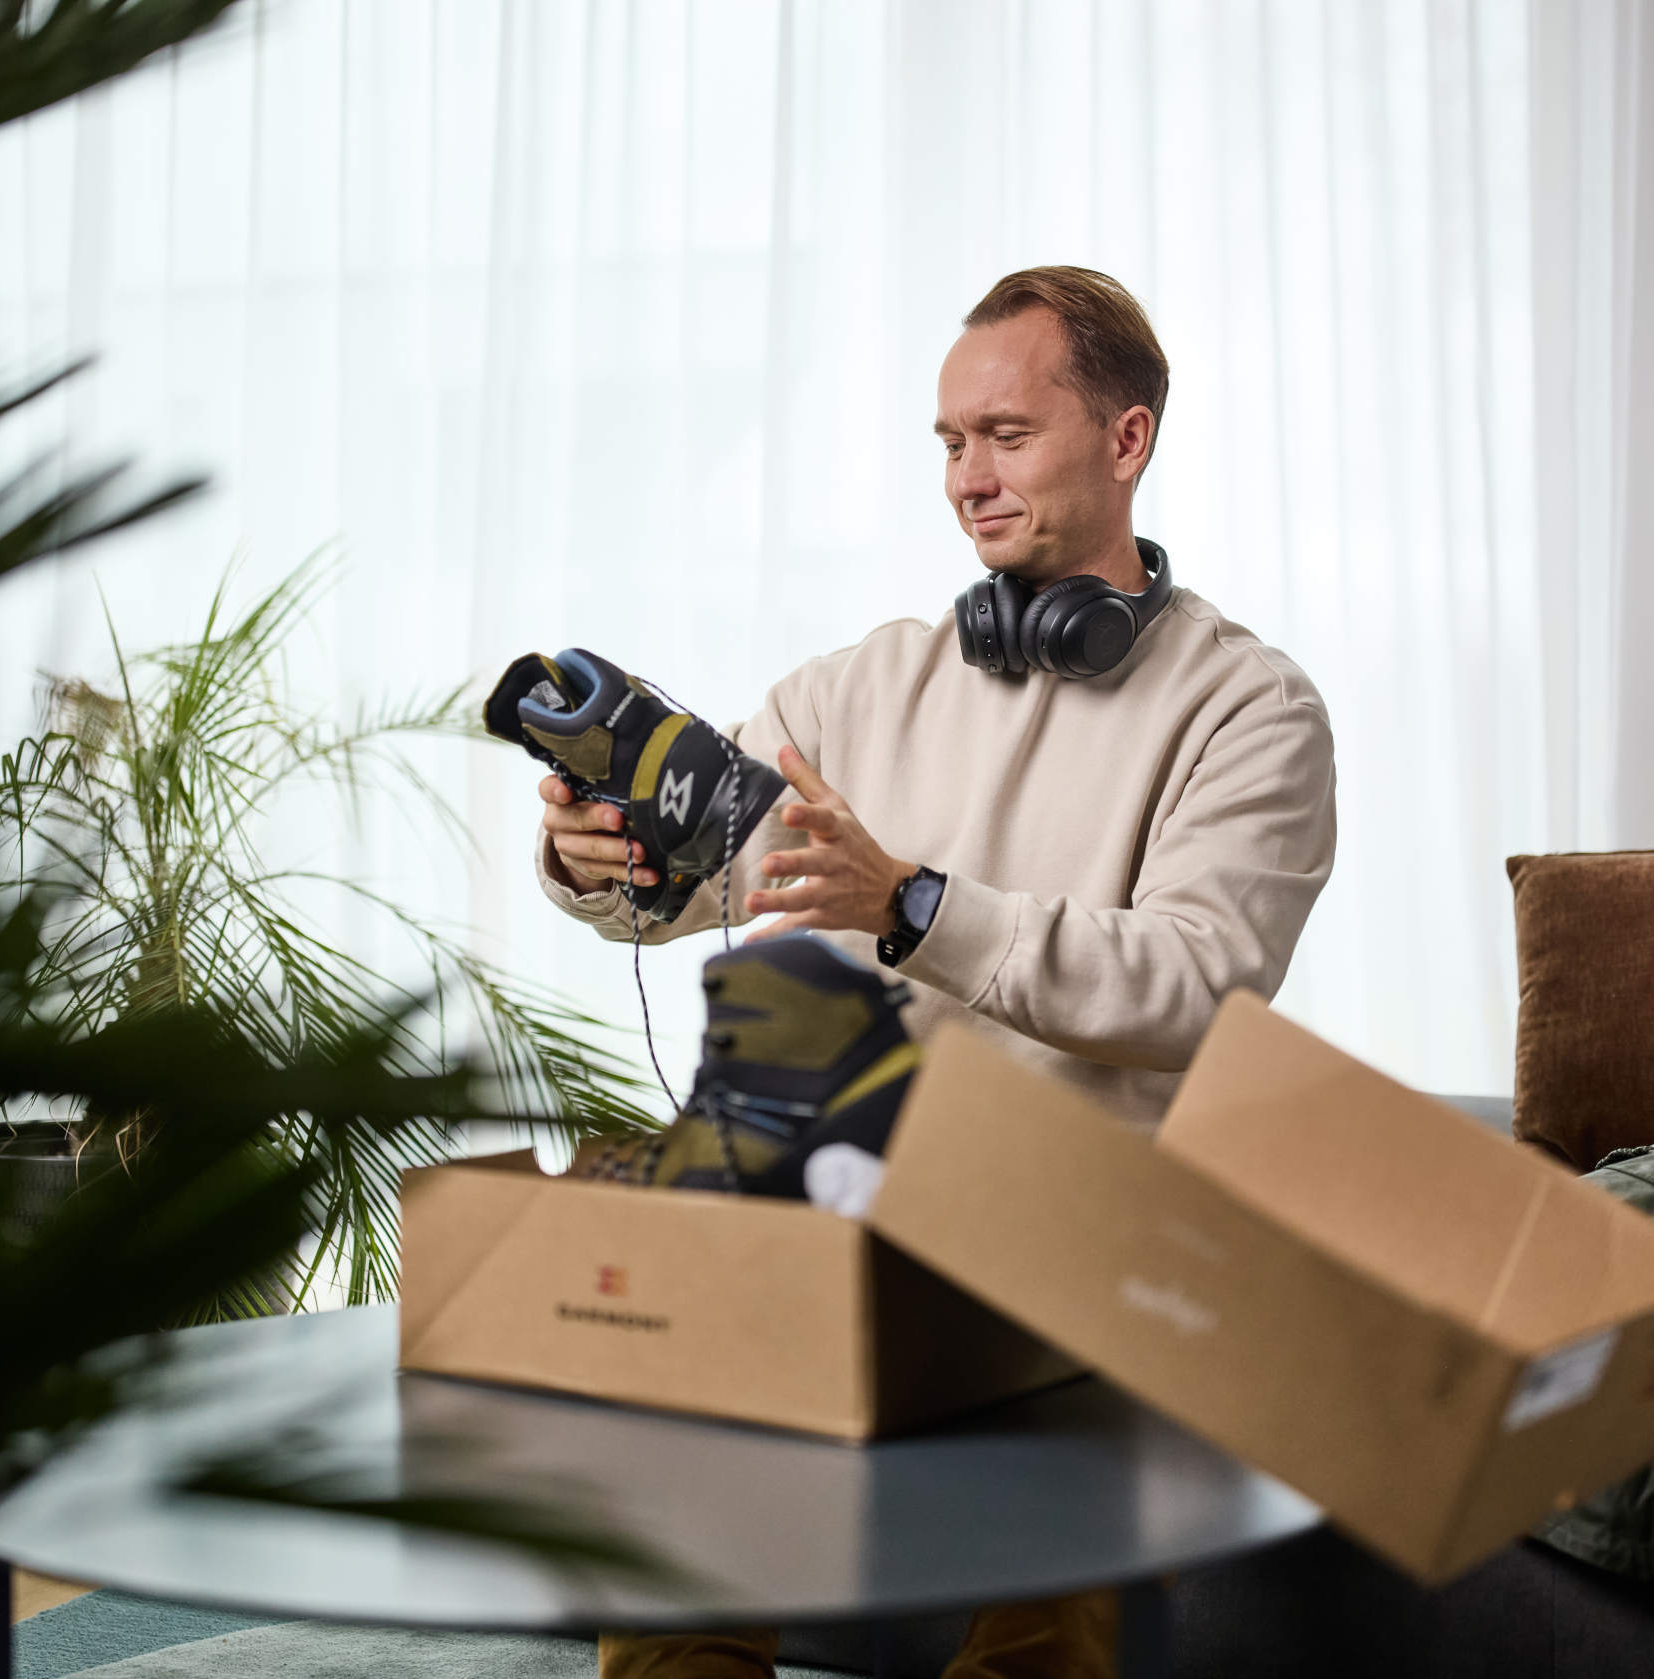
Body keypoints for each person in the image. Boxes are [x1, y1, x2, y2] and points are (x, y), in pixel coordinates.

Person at [531, 266, 1337, 1679]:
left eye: (1007, 435)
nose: (969, 477)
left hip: (1074, 1254)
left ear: (1127, 439)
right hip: (823, 1219)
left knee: (1046, 1611)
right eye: (950, 443)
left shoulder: (1249, 707)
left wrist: (913, 905)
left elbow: (1203, 986)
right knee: (673, 1538)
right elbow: (706, 875)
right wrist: (602, 864)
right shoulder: (861, 685)